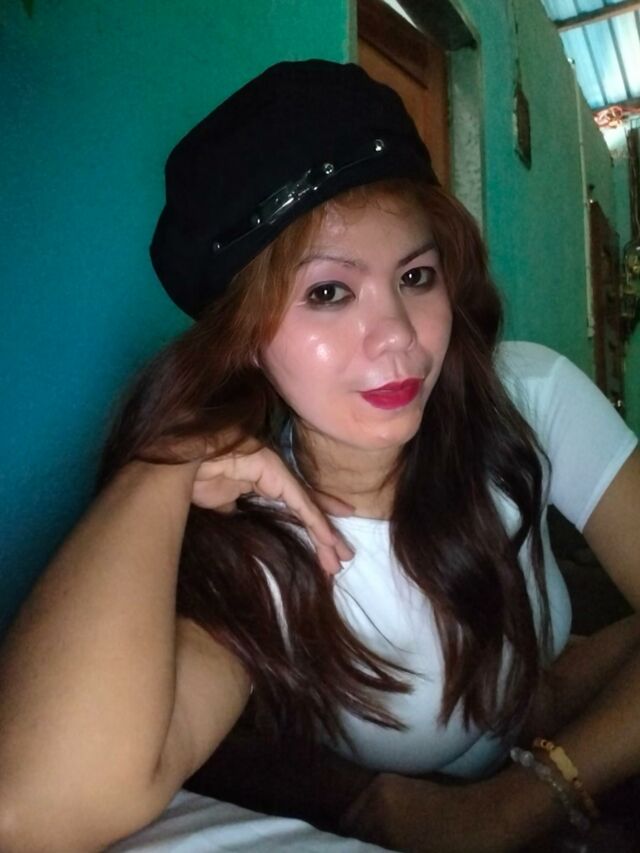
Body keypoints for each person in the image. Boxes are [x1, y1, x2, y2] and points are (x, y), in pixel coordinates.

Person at [0, 59, 638, 853]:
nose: (398, 336)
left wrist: (516, 802)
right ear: (246, 337)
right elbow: (32, 809)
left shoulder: (528, 394)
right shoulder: (257, 544)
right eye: (328, 292)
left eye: (416, 275)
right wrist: (163, 465)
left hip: (553, 726)